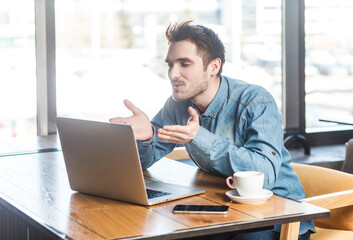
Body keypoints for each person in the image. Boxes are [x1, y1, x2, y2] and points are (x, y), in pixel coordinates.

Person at [110, 21, 314, 240]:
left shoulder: (255, 101)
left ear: (214, 67)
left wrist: (199, 137)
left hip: (278, 215)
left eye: (184, 64)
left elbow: (265, 175)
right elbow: (145, 160)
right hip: (225, 209)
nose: (172, 74)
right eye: (170, 64)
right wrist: (147, 136)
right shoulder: (177, 104)